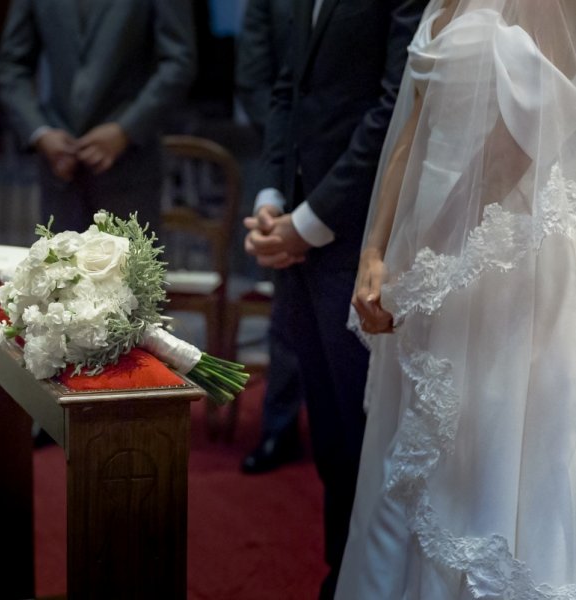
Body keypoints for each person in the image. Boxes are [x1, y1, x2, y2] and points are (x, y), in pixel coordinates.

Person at [338, 1, 576, 597]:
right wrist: (376, 252)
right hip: (423, 243)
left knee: (476, 458)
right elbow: (409, 133)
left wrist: (428, 262)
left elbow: (518, 146)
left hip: (498, 259)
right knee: (406, 449)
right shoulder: (439, 2)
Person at [243, 0, 427, 596]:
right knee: (327, 427)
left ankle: (364, 580)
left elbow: (395, 108)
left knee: (362, 429)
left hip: (363, 236)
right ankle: (339, 575)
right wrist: (274, 195)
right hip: (297, 225)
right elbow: (286, 89)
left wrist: (312, 220)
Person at [0, 0, 196, 236]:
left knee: (132, 270)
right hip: (59, 162)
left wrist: (126, 129)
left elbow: (178, 61)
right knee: (60, 269)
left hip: (129, 164)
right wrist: (39, 131)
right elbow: (11, 66)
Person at [234, 0, 306, 474]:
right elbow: (256, 80)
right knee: (290, 313)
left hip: (364, 160)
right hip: (290, 162)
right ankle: (279, 427)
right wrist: (290, 146)